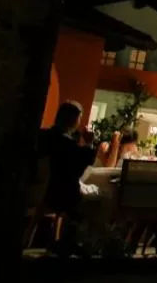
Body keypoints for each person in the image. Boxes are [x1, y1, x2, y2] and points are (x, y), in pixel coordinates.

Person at [36, 101, 97, 251]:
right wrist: (89, 143)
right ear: (75, 120)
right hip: (57, 194)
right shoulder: (66, 143)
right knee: (89, 202)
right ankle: (70, 241)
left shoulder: (42, 136)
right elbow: (79, 166)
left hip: (36, 188)